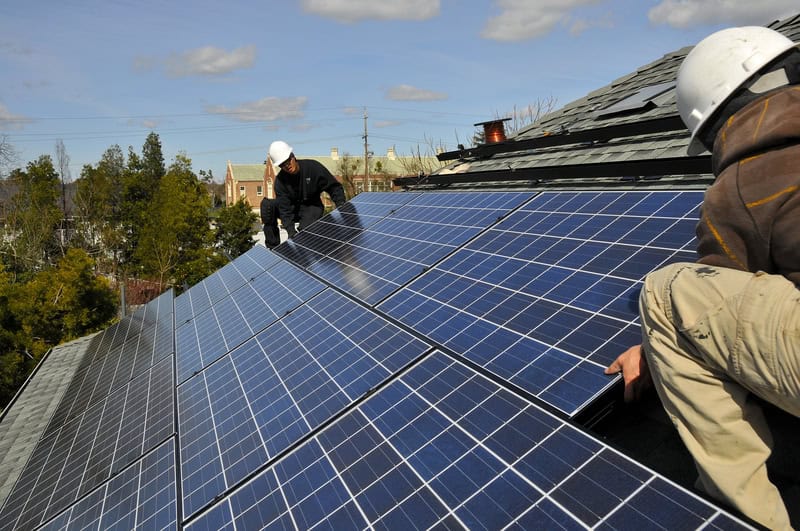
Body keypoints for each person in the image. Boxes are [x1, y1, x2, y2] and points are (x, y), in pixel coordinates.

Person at [604, 26, 800, 530]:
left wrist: (656, 343)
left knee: (669, 291)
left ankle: (748, 516)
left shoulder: (746, 181)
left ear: (719, 122)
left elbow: (715, 296)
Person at [260, 140, 346, 248]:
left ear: (293, 156)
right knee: (267, 206)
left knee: (305, 235)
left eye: (288, 161)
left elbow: (334, 187)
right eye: (282, 164)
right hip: (292, 208)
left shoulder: (313, 168)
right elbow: (285, 209)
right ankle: (273, 247)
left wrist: (342, 206)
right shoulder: (280, 182)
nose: (287, 166)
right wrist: (291, 232)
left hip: (311, 206)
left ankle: (304, 240)